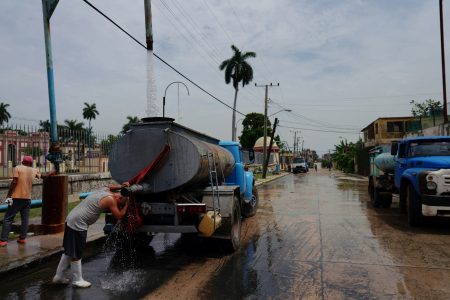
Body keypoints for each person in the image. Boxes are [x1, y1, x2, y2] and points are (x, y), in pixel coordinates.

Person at [52, 186, 129, 288]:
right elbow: (119, 215)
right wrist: (127, 204)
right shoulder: (111, 200)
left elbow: (109, 186)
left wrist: (121, 186)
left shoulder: (104, 190)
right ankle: (77, 280)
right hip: (78, 223)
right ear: (119, 199)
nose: (118, 205)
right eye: (120, 205)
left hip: (72, 218)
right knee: (77, 252)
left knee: (70, 250)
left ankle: (59, 276)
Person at [0, 156, 43, 247]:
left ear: (23, 162)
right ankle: (22, 238)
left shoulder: (18, 168)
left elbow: (14, 182)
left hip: (15, 197)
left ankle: (3, 240)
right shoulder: (34, 170)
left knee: (8, 218)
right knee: (25, 219)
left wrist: (8, 195)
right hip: (27, 198)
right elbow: (42, 176)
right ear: (30, 163)